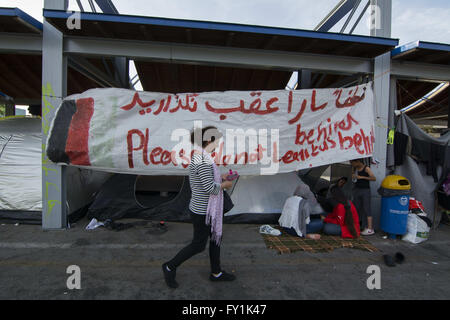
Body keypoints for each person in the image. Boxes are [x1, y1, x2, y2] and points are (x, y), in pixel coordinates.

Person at [162, 126, 235, 288]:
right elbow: (210, 188)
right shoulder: (202, 160)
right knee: (198, 245)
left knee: (216, 239)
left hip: (210, 210)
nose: (218, 144)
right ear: (209, 141)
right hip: (203, 212)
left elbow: (208, 180)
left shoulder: (204, 157)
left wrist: (221, 177)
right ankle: (169, 266)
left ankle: (216, 273)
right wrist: (225, 184)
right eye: (217, 141)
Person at [350, 159, 376, 236]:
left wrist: (362, 177)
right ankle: (356, 226)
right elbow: (354, 177)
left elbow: (373, 178)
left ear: (358, 162)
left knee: (367, 208)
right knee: (356, 208)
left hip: (365, 191)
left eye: (352, 163)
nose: (352, 164)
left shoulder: (366, 168)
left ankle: (370, 228)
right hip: (357, 190)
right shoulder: (354, 168)